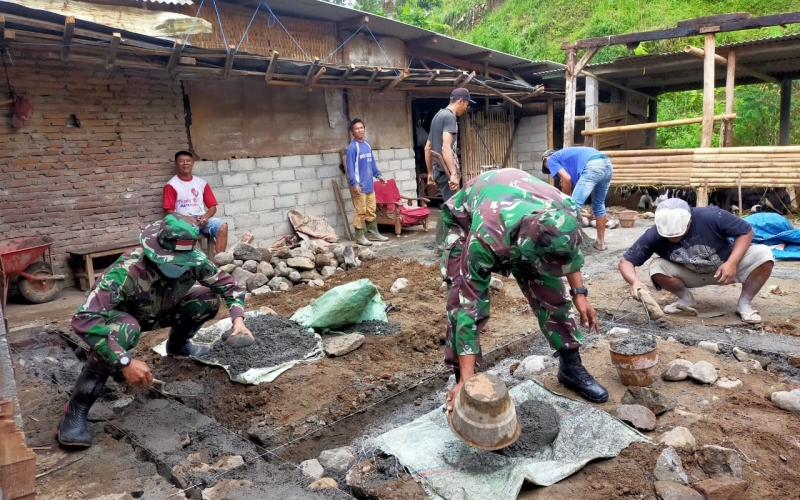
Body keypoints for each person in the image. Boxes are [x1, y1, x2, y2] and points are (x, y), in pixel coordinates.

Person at [57, 215, 252, 448]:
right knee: (125, 330)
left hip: (163, 311)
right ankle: (76, 409)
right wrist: (125, 360)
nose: (179, 266)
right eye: (172, 260)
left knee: (207, 299)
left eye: (184, 262)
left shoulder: (195, 261)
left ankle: (179, 345)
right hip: (125, 321)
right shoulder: (125, 272)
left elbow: (230, 287)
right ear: (155, 253)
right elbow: (84, 319)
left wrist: (238, 321)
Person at [442, 168, 608, 409]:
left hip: (519, 210)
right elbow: (471, 307)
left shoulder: (568, 210)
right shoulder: (486, 240)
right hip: (469, 219)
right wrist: (466, 379)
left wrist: (579, 294)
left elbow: (565, 252)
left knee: (550, 288)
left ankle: (571, 367)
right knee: (459, 302)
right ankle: (464, 383)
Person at [618, 198, 774, 324]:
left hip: (727, 268)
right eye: (669, 236)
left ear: (690, 221)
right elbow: (625, 262)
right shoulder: (653, 234)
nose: (674, 238)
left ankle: (744, 304)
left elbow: (746, 231)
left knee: (764, 254)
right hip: (692, 273)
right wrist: (635, 282)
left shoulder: (713, 216)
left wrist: (732, 262)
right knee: (656, 266)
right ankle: (685, 299)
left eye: (679, 234)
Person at [425, 88, 474, 249]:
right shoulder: (449, 117)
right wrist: (453, 174)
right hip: (446, 171)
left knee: (449, 205)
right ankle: (443, 245)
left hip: (438, 170)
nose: (465, 108)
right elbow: (446, 147)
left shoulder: (437, 116)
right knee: (452, 207)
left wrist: (431, 173)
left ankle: (442, 243)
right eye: (466, 104)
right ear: (460, 101)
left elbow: (428, 147)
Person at [542, 147, 614, 251]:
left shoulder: (551, 159)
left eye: (546, 167)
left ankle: (565, 245)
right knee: (599, 205)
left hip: (593, 165)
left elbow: (566, 179)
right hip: (607, 164)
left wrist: (565, 203)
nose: (549, 169)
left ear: (546, 159)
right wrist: (593, 206)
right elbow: (593, 180)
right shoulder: (568, 157)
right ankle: (600, 243)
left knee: (573, 206)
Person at [164, 151, 229, 255]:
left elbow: (213, 207)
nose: (185, 163)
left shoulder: (201, 183)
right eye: (181, 161)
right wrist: (187, 218)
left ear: (193, 163)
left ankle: (220, 262)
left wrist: (206, 217)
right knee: (188, 233)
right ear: (176, 164)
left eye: (188, 161)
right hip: (184, 220)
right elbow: (168, 211)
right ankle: (199, 264)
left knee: (223, 226)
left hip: (201, 219)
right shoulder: (171, 185)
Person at [345, 118, 388, 247]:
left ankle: (373, 233)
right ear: (352, 132)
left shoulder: (367, 145)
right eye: (356, 128)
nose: (360, 130)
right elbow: (350, 168)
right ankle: (359, 236)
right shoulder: (352, 148)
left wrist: (379, 175)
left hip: (370, 185)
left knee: (370, 210)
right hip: (359, 186)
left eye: (361, 127)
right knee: (360, 211)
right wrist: (354, 184)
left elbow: (372, 164)